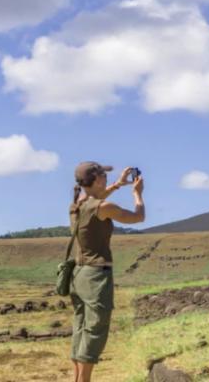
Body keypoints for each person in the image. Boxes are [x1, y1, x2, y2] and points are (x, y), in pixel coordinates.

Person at [69, 161, 145, 382]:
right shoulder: (103, 208)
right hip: (96, 277)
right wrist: (137, 194)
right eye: (104, 176)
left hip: (79, 275)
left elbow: (95, 199)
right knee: (95, 330)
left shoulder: (76, 204)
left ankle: (76, 379)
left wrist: (118, 184)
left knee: (80, 328)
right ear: (97, 180)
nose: (106, 180)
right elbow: (138, 217)